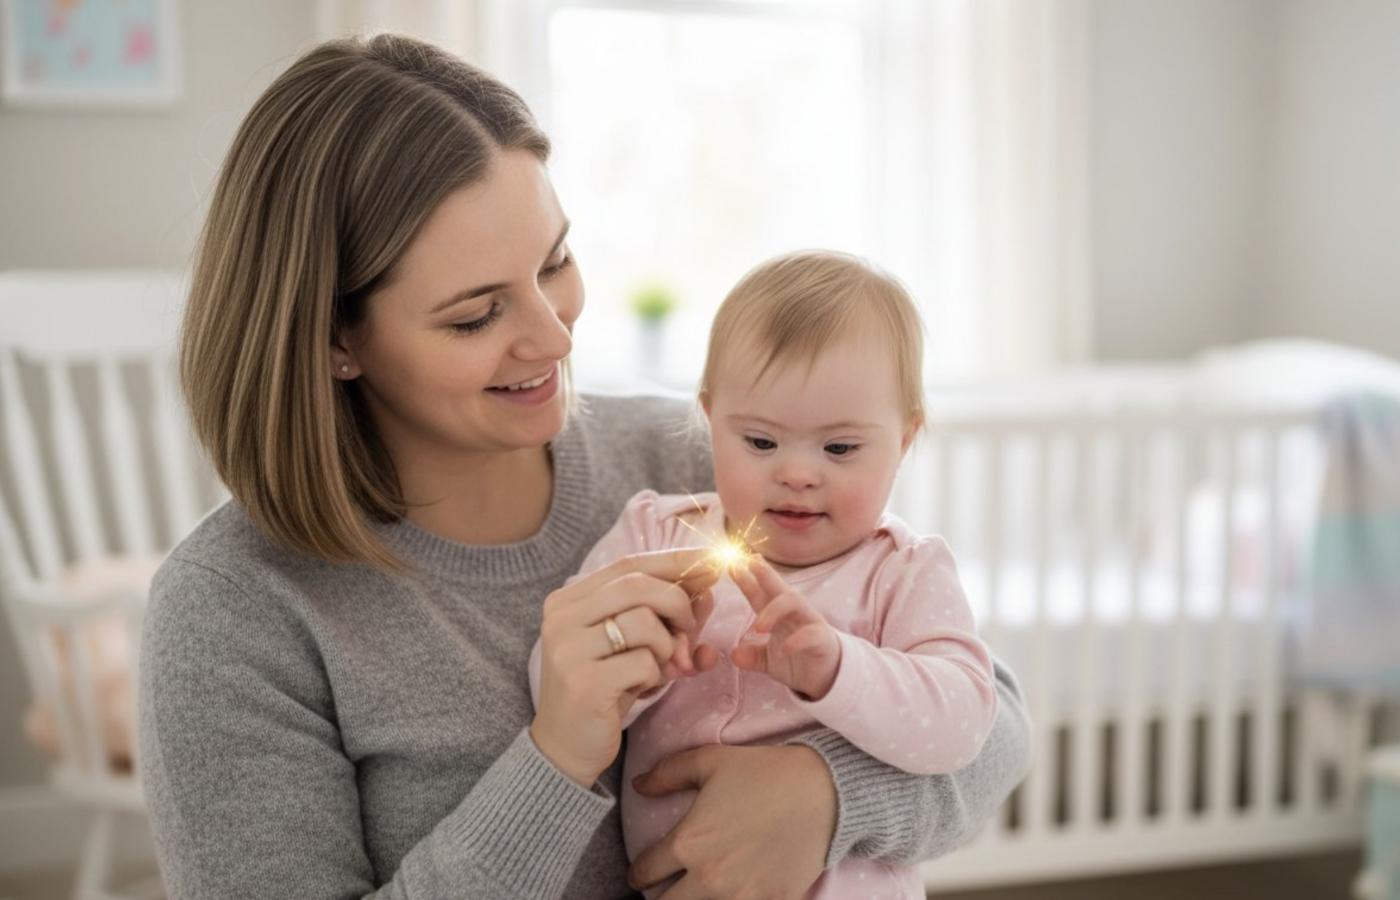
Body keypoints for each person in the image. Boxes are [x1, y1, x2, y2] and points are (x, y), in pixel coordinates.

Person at [137, 33, 1031, 899]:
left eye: (555, 261)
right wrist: (557, 753)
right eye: (475, 316)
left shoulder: (691, 463)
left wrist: (826, 798)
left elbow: (995, 721)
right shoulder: (236, 612)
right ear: (337, 340)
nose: (556, 335)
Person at [530, 251, 998, 899]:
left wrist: (838, 667)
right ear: (709, 418)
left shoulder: (904, 570)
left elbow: (965, 722)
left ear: (905, 439)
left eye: (840, 448)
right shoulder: (654, 534)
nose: (799, 473)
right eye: (760, 442)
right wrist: (641, 658)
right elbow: (556, 680)